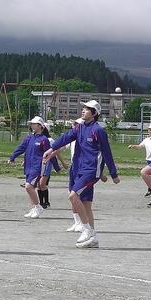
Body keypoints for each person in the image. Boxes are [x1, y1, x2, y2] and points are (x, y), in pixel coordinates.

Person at [44, 100, 120, 249]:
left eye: (87, 108)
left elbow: (107, 152)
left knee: (73, 196)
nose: (83, 110)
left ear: (94, 113)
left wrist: (113, 173)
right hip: (78, 169)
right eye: (83, 107)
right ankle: (93, 238)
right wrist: (51, 149)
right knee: (86, 204)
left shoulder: (98, 130)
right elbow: (65, 138)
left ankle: (86, 230)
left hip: (91, 171)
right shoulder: (79, 128)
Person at [8, 116, 51, 219]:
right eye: (31, 124)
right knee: (30, 189)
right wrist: (12, 157)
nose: (32, 125)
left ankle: (38, 207)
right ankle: (33, 209)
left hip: (37, 167)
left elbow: (49, 154)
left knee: (28, 187)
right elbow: (21, 148)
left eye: (34, 124)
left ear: (40, 126)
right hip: (28, 167)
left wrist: (56, 167)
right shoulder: (29, 138)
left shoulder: (44, 139)